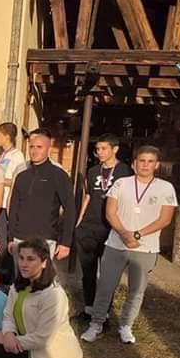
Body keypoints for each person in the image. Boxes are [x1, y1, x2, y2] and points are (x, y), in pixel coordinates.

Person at [81, 146, 177, 344]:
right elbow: (110, 213)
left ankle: (126, 326)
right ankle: (96, 324)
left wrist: (138, 234)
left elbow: (165, 219)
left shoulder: (165, 188)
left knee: (136, 290)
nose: (145, 165)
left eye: (150, 161)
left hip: (146, 247)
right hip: (116, 244)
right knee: (105, 286)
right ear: (134, 164)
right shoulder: (121, 183)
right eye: (142, 160)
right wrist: (125, 234)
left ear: (157, 165)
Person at [74, 134, 131, 318]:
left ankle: (103, 314)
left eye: (104, 148)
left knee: (107, 274)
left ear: (115, 149)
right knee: (88, 271)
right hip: (89, 227)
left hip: (111, 229)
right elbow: (88, 196)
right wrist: (79, 223)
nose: (99, 152)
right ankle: (89, 308)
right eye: (97, 149)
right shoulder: (92, 171)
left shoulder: (125, 172)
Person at [8, 128, 76, 262]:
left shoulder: (58, 175)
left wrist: (66, 242)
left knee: (42, 275)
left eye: (39, 147)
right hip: (19, 238)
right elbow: (14, 207)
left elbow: (70, 209)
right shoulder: (22, 176)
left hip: (45, 239)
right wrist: (10, 237)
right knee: (21, 274)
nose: (34, 150)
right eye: (32, 147)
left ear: (48, 149)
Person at [0, 122, 26, 283]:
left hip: (7, 204)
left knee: (5, 241)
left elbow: (18, 180)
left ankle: (8, 277)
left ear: (7, 136)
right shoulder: (2, 155)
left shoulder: (17, 156)